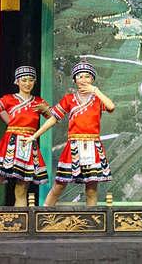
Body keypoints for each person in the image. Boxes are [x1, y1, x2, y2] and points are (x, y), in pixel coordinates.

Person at [28, 61, 115, 206]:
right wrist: (35, 135)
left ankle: (92, 219)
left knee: (91, 190)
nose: (83, 79)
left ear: (92, 79)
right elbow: (53, 118)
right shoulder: (69, 99)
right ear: (74, 80)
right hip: (73, 147)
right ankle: (43, 215)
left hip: (93, 147)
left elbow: (111, 107)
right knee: (59, 186)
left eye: (87, 76)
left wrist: (95, 91)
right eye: (80, 76)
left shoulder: (97, 99)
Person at [0, 66, 51, 206]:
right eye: (24, 80)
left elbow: (55, 118)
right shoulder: (8, 99)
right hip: (11, 142)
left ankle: (20, 218)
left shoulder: (39, 102)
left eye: (31, 80)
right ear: (17, 81)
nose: (27, 83)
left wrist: (46, 110)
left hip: (29, 143)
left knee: (22, 189)